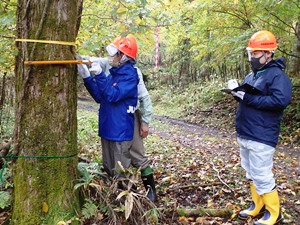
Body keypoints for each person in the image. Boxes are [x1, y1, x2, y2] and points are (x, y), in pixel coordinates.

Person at [78, 34, 157, 202]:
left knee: (136, 156)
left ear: (123, 56)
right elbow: (102, 92)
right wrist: (86, 73)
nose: (109, 57)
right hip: (113, 120)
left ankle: (143, 195)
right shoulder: (113, 69)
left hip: (128, 117)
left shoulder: (132, 74)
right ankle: (125, 197)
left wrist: (145, 122)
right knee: (111, 163)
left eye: (114, 53)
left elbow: (141, 98)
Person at [230, 30, 292, 225]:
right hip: (246, 132)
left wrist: (248, 98)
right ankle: (257, 206)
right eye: (251, 53)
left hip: (262, 134)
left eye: (255, 54)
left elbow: (279, 100)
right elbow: (249, 96)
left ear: (268, 54)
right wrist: (237, 92)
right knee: (250, 171)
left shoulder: (277, 76)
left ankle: (273, 212)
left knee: (262, 173)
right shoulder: (252, 75)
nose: (252, 57)